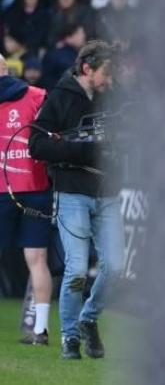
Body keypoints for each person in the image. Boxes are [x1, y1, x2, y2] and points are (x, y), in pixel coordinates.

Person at [29, 40, 124, 360]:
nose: (111, 79)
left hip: (107, 191)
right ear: (87, 69)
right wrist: (83, 148)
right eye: (106, 72)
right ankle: (70, 337)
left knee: (116, 266)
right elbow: (36, 145)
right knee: (77, 269)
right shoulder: (59, 96)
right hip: (71, 192)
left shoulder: (112, 97)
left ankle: (88, 318)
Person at [0, 55, 53, 345]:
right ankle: (40, 330)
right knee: (37, 259)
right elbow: (50, 136)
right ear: (7, 69)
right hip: (35, 186)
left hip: (1, 186)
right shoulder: (36, 95)